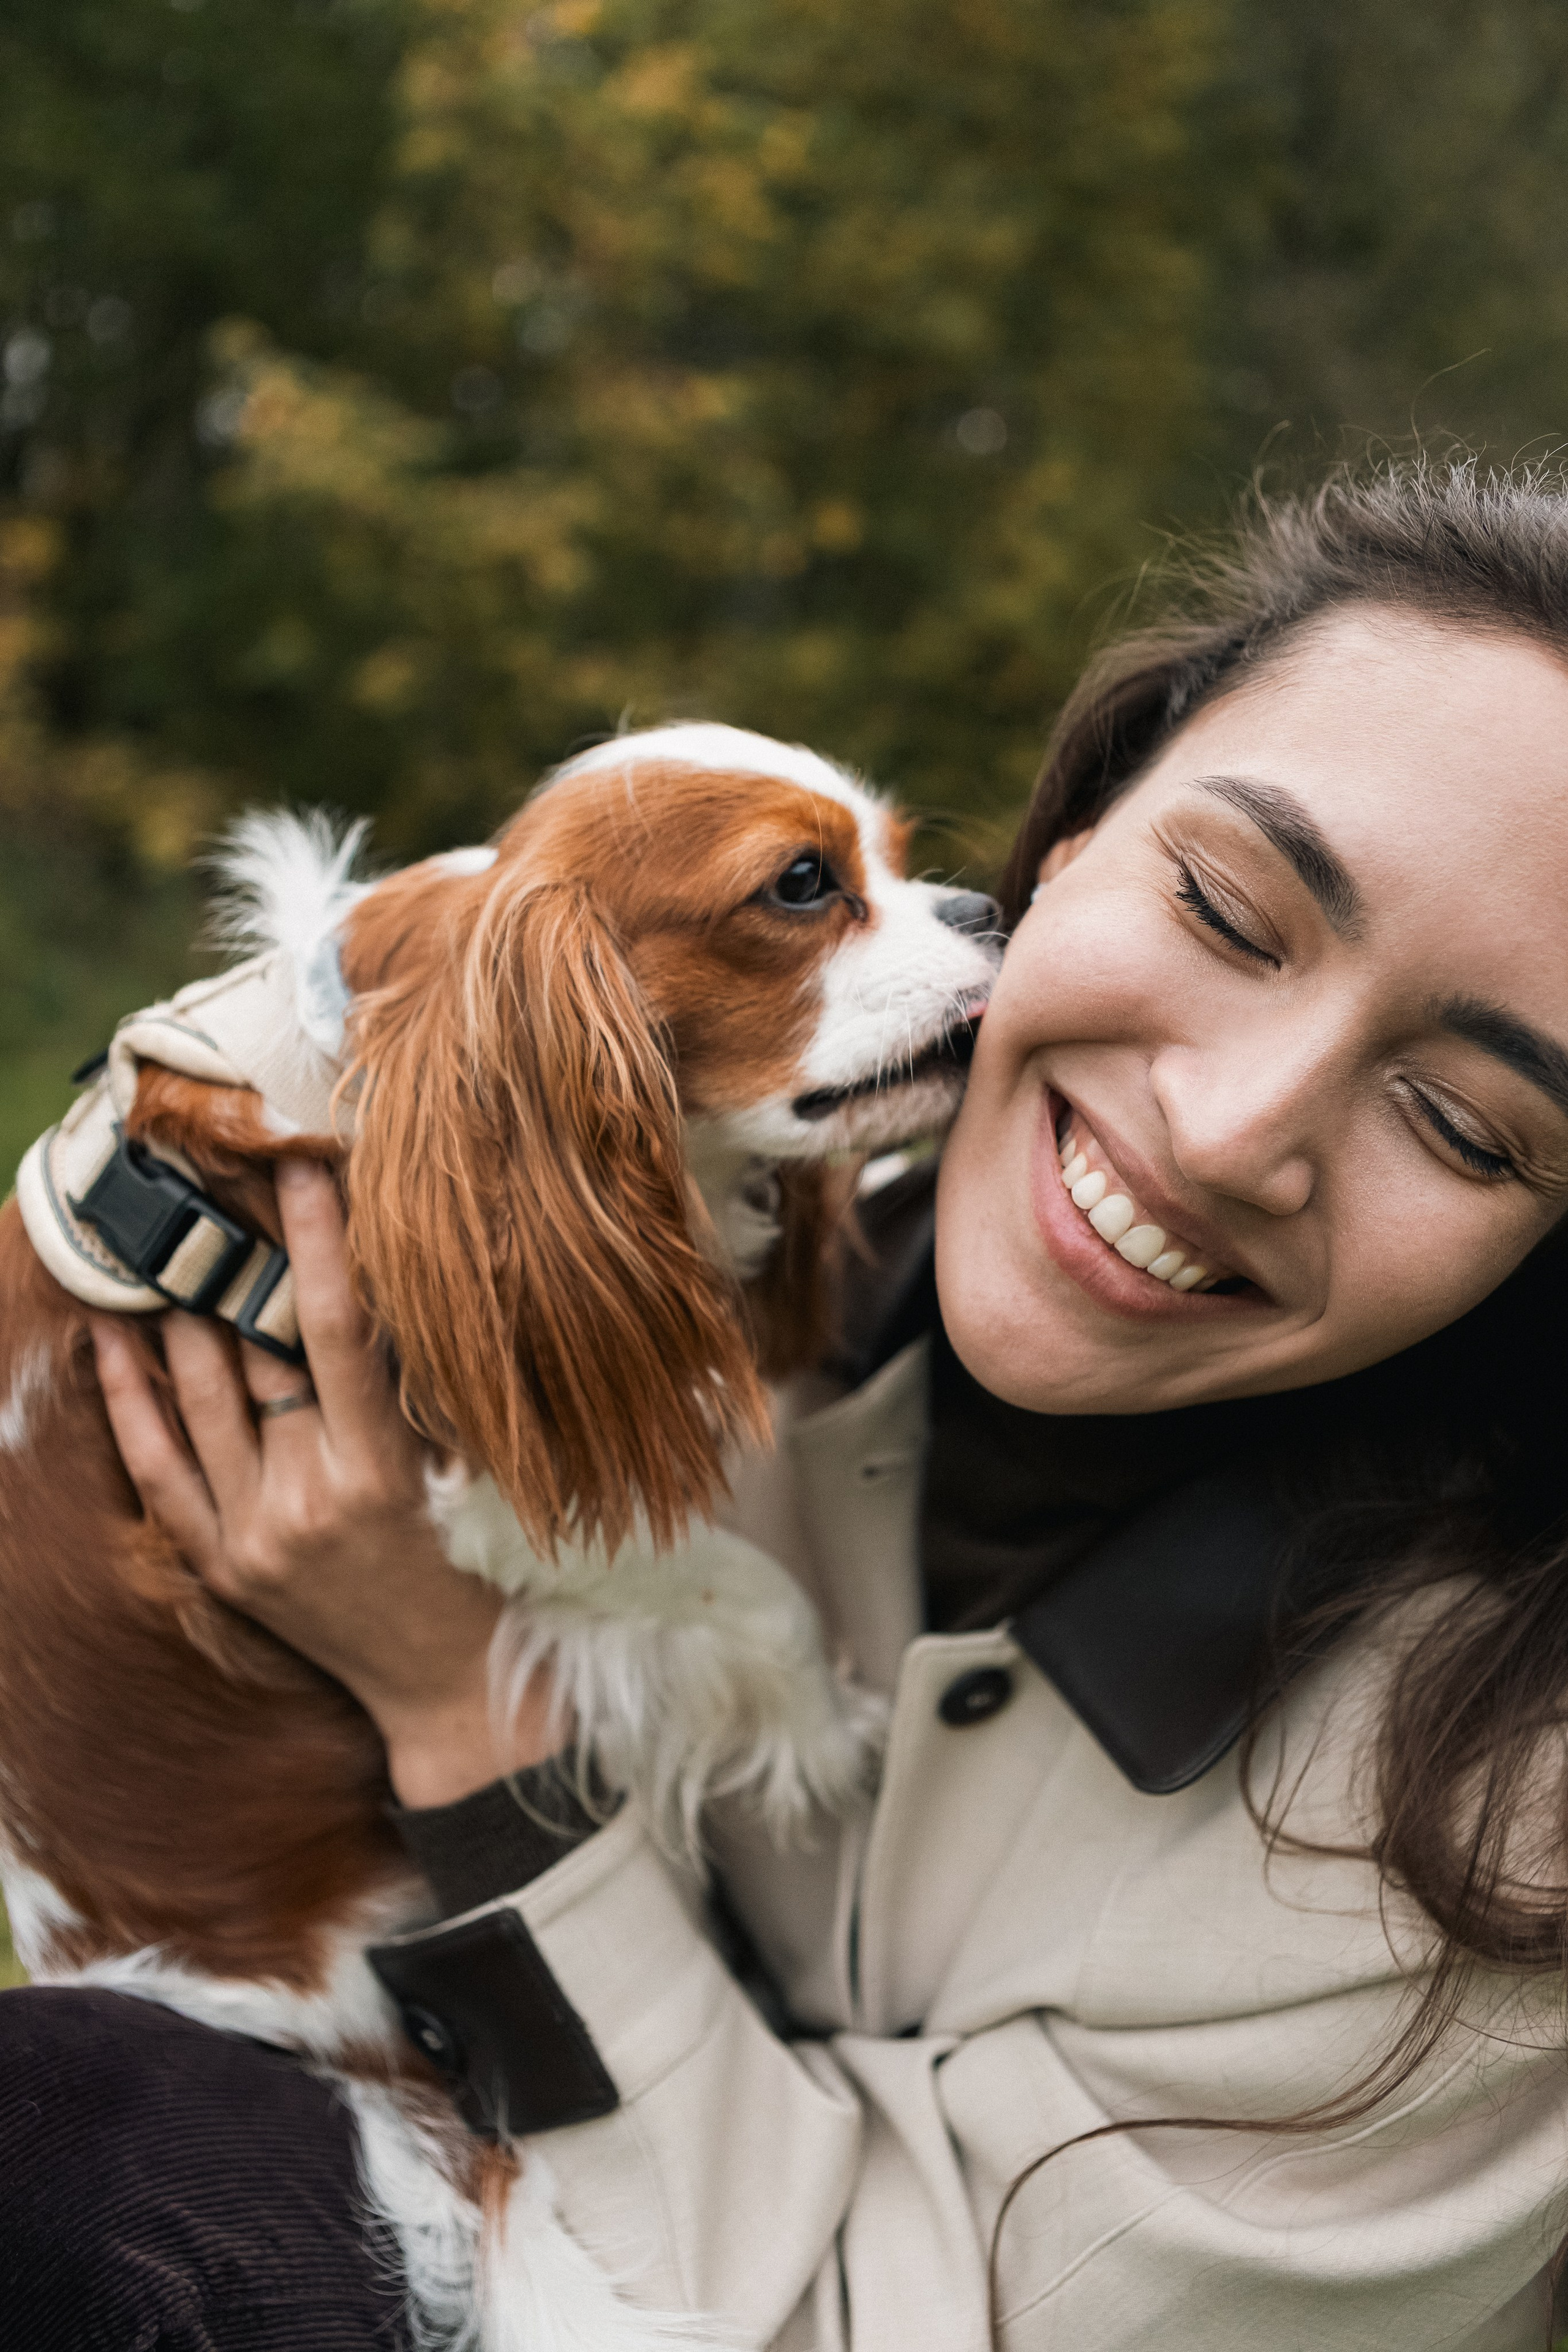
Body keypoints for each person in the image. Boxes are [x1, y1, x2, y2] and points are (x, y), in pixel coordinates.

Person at [17, 456, 1568, 2349]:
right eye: (1234, 915)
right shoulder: (723, 1228)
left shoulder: (1501, 1828)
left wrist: (458, 1702)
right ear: (1070, 844)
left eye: (1465, 1121)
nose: (1232, 1135)